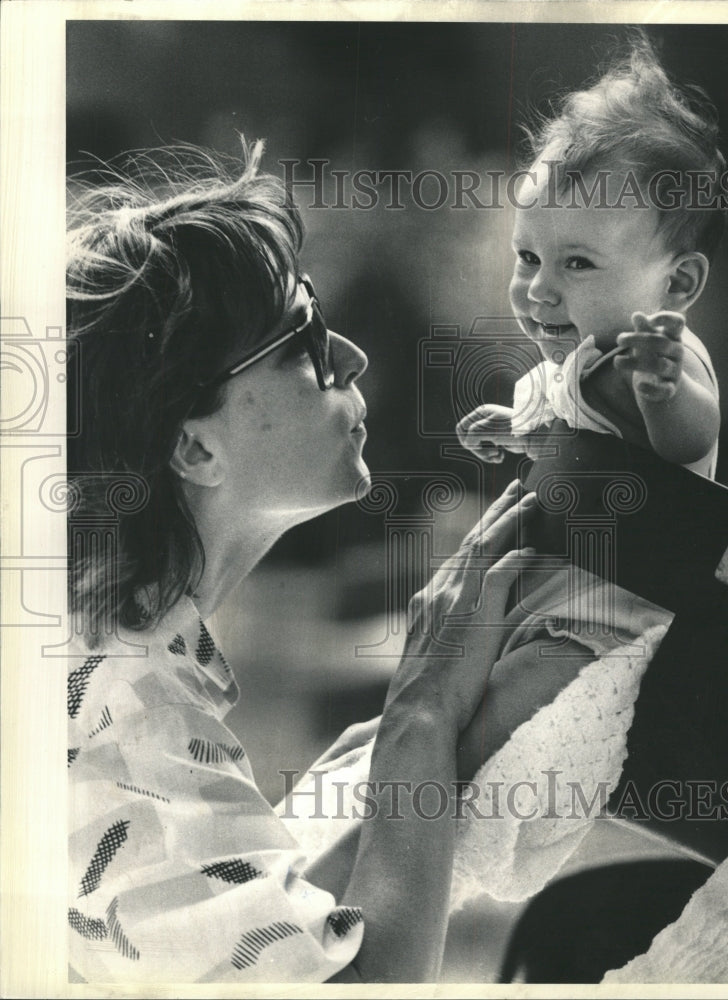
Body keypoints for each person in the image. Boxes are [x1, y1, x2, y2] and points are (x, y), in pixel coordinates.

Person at [65, 141, 544, 984]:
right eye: (301, 341)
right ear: (191, 445)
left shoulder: (107, 660)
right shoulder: (124, 721)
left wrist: (354, 777)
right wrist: (421, 712)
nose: (351, 358)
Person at [456, 35, 722, 480]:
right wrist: (518, 430)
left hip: (640, 550)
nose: (539, 288)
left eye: (577, 263)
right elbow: (580, 448)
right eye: (528, 256)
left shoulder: (662, 360)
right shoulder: (587, 361)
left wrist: (665, 394)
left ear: (676, 284)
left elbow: (689, 444)